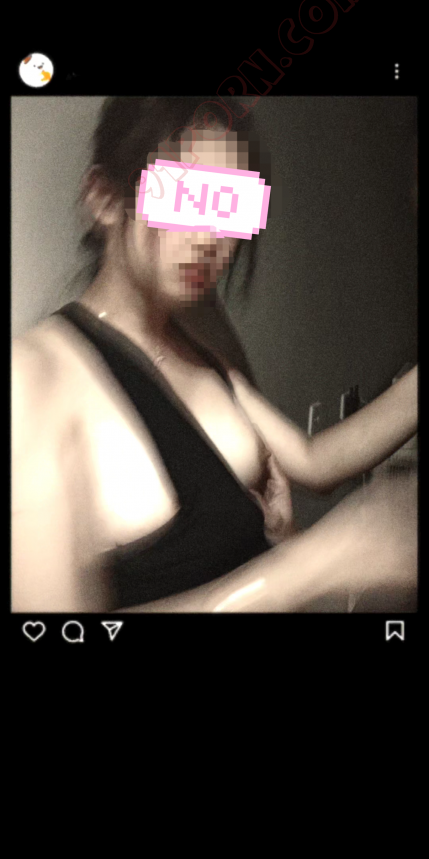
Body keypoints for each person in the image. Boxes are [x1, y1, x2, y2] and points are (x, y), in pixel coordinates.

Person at [11, 97, 418, 613]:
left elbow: (312, 462)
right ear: (105, 198)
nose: (210, 237)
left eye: (231, 207)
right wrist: (309, 569)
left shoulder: (201, 332)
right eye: (185, 196)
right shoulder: (33, 378)